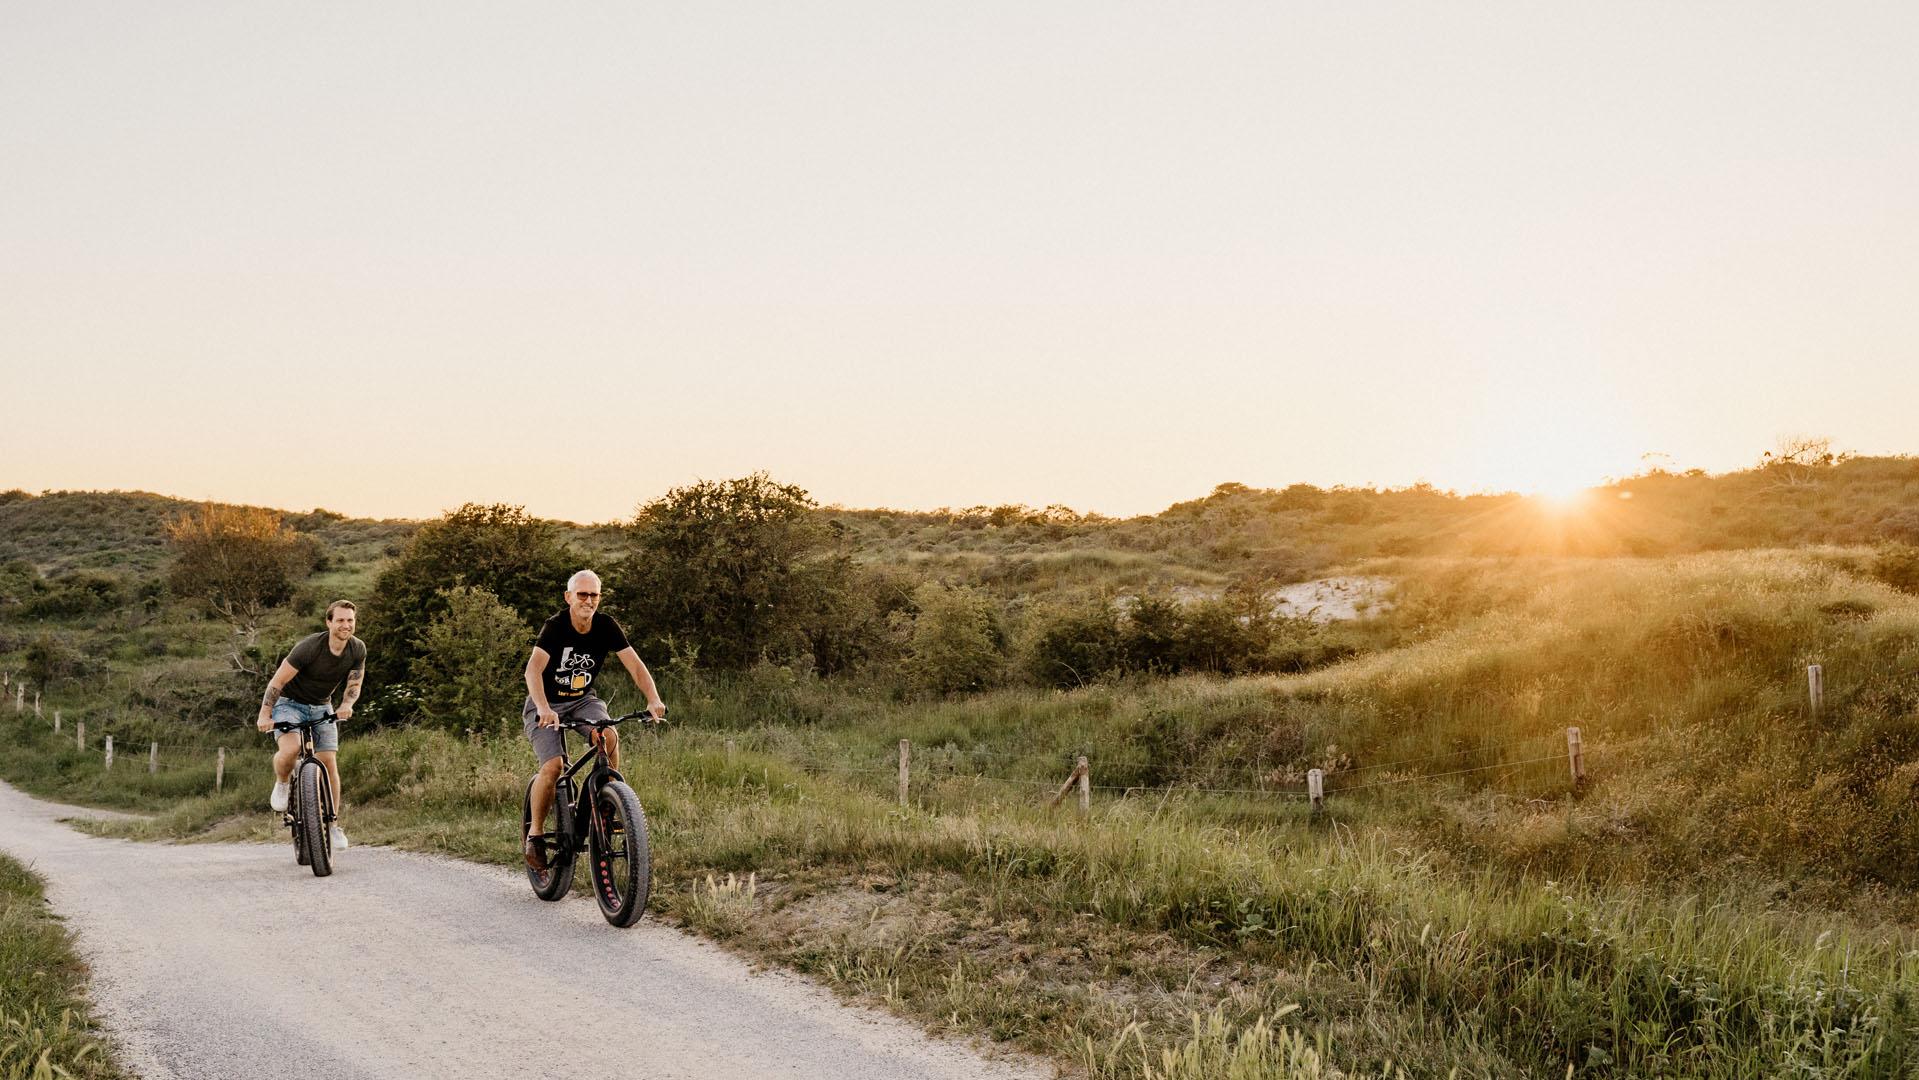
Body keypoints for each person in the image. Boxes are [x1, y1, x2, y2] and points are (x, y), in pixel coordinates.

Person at [522, 570, 665, 870]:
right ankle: (535, 834)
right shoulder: (556, 626)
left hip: (583, 700)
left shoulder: (605, 626)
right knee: (553, 767)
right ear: (569, 597)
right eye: (582, 594)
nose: (588, 600)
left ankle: (608, 804)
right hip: (545, 703)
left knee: (608, 735)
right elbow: (532, 671)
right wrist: (544, 708)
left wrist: (653, 699)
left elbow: (636, 667)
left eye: (594, 595)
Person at [256, 600, 365, 851]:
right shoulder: (309, 647)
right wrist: (265, 714)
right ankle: (283, 782)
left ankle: (334, 824)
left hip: (322, 705)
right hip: (289, 703)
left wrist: (346, 705)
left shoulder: (357, 649)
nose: (345, 625)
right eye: (340, 620)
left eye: (350, 620)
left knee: (328, 761)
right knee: (291, 749)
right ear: (329, 622)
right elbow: (277, 681)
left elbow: (354, 684)